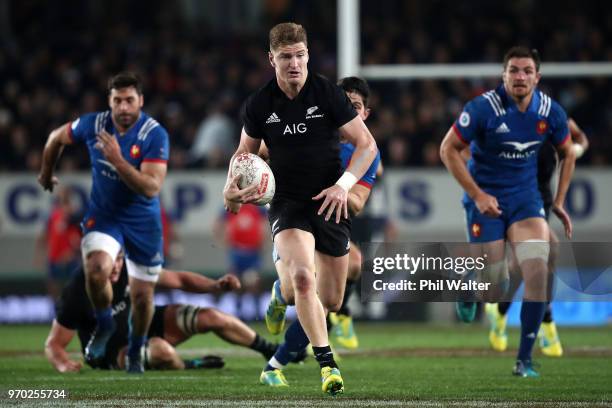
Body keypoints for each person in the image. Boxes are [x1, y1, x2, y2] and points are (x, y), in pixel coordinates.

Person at [222, 23, 377, 395]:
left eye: (300, 55)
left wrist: (343, 188)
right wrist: (231, 186)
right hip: (288, 203)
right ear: (271, 58)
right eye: (286, 57)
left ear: (308, 55)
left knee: (332, 300)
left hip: (328, 202)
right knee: (305, 280)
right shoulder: (260, 103)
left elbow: (366, 145)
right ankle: (328, 366)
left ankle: (280, 294)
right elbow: (244, 155)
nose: (294, 64)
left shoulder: (327, 93)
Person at [440, 46, 576, 378]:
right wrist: (477, 193)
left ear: (537, 77)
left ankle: (524, 359)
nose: (520, 77)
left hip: (526, 201)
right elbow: (448, 150)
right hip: (485, 200)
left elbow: (568, 152)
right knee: (494, 289)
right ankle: (470, 284)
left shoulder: (549, 112)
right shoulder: (483, 108)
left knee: (537, 271)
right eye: (513, 70)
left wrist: (558, 201)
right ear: (504, 75)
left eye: (527, 71)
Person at [38, 72, 170, 373]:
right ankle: (106, 324)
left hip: (141, 222)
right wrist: (46, 173)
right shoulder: (93, 124)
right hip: (105, 216)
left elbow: (151, 187)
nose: (123, 107)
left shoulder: (154, 134)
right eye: (117, 101)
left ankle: (136, 349)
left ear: (141, 101)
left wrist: (117, 159)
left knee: (141, 296)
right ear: (109, 102)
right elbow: (54, 139)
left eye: (129, 100)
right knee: (96, 270)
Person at [45, 252, 281, 372]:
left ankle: (269, 350)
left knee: (212, 316)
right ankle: (190, 364)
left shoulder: (131, 267)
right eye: (110, 262)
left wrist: (214, 285)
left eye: (118, 259)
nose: (116, 266)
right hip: (112, 350)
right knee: (160, 350)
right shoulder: (76, 293)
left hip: (144, 321)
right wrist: (63, 364)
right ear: (92, 263)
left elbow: (178, 279)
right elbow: (54, 344)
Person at [485, 118, 589, 357]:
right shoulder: (501, 117)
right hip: (511, 197)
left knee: (527, 262)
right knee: (545, 251)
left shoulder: (553, 116)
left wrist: (575, 150)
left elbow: (581, 139)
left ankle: (500, 311)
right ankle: (547, 321)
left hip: (541, 196)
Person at [212, 203, 268, 319]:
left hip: (253, 251)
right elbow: (218, 223)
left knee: (253, 282)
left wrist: (265, 240)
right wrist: (221, 239)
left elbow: (268, 221)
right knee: (236, 282)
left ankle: (256, 313)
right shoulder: (232, 205)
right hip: (237, 251)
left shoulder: (257, 207)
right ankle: (239, 311)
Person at [34, 185, 83, 301]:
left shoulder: (74, 214)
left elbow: (80, 237)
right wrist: (39, 255)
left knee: (74, 286)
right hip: (54, 256)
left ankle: (72, 309)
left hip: (70, 258)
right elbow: (45, 235)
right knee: (53, 285)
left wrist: (74, 252)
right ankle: (55, 310)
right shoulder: (53, 215)